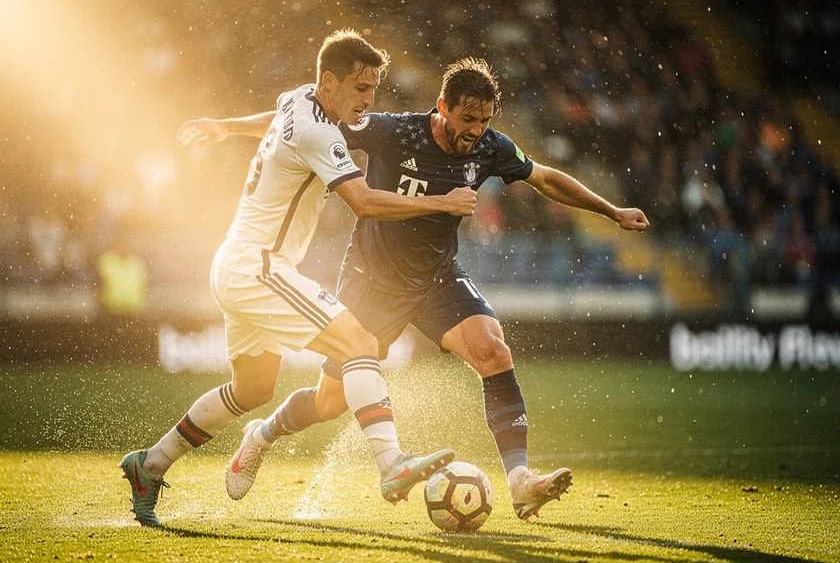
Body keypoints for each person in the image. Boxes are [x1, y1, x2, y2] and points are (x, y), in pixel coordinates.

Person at [225, 57, 650, 521]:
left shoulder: (490, 147)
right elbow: (298, 125)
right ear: (442, 106)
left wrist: (612, 212)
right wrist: (228, 129)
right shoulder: (392, 131)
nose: (476, 130)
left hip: (436, 278)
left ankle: (521, 482)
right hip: (372, 280)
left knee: (493, 349)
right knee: (330, 403)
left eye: (485, 120)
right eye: (468, 119)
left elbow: (545, 177)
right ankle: (262, 435)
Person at [119, 30, 479, 526]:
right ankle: (391, 463)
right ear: (328, 83)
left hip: (234, 262)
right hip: (260, 267)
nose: (369, 101)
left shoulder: (298, 99)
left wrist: (225, 127)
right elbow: (364, 202)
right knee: (359, 341)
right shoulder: (321, 133)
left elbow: (274, 121)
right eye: (360, 88)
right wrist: (441, 202)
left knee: (252, 389)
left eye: (373, 89)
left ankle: (151, 463)